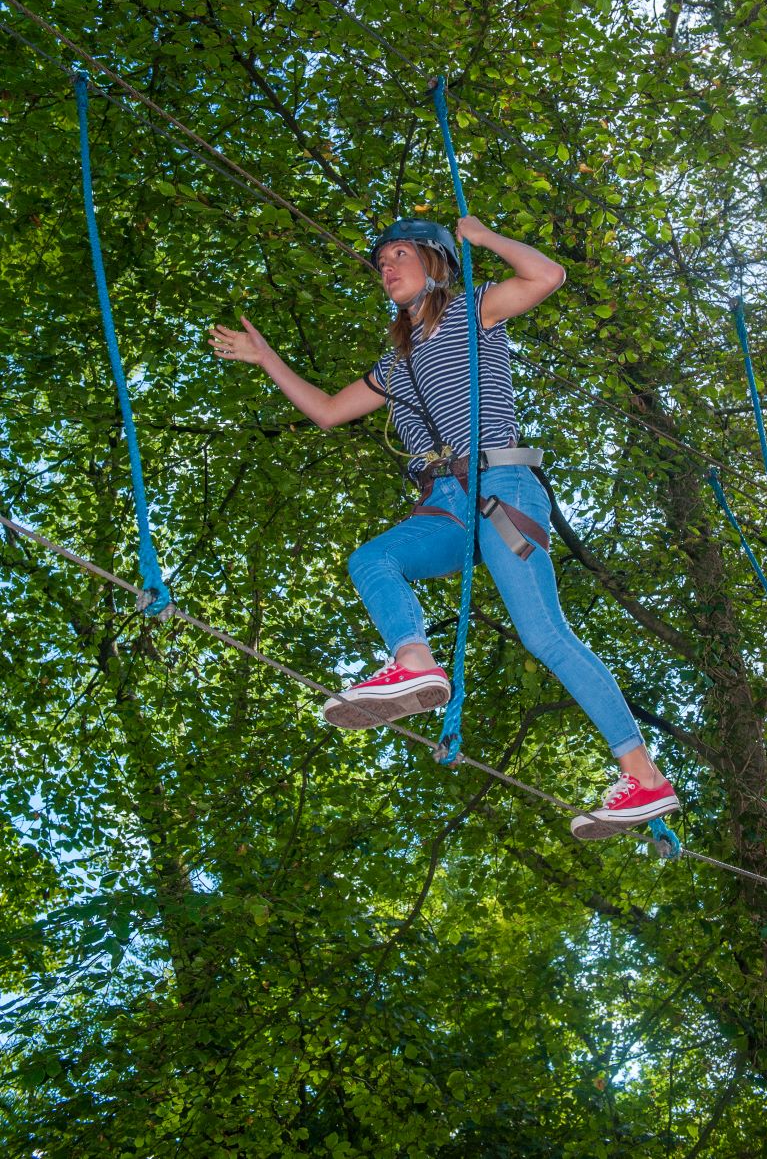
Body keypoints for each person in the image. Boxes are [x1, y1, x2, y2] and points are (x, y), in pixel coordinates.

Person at [209, 216, 679, 838]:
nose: (387, 268)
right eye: (380, 264)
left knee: (544, 635)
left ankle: (645, 780)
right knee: (374, 560)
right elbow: (326, 412)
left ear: (435, 262)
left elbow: (546, 275)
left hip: (501, 489)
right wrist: (267, 358)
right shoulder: (393, 364)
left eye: (399, 254)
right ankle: (414, 661)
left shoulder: (472, 311)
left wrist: (483, 239)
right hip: (446, 505)